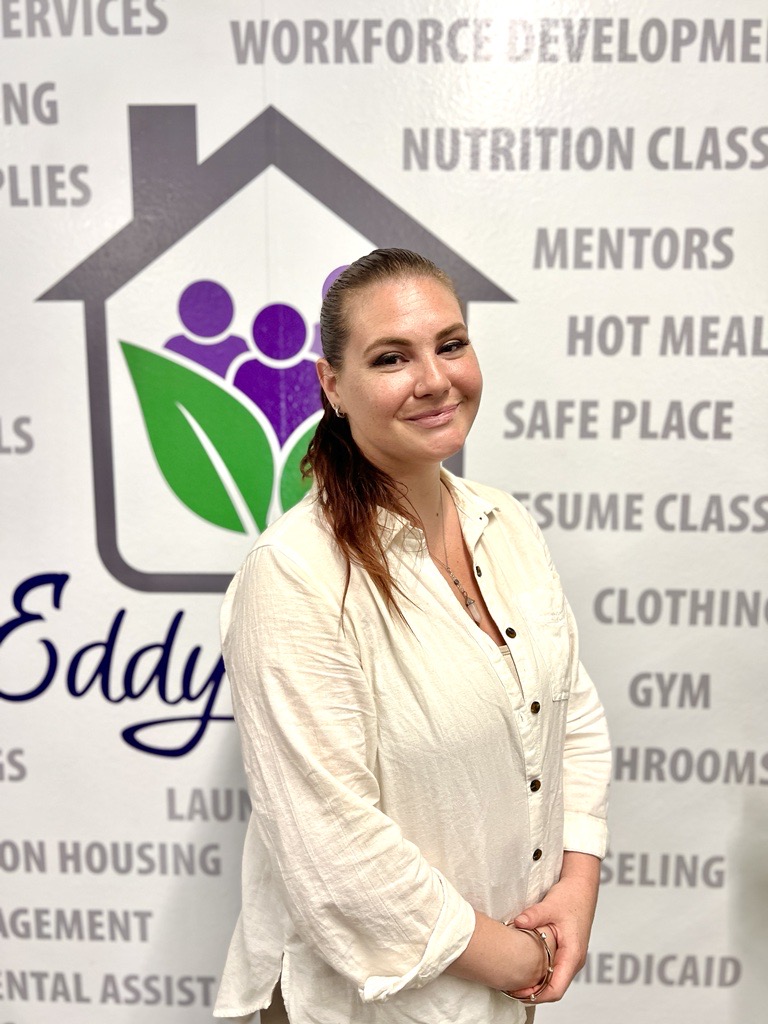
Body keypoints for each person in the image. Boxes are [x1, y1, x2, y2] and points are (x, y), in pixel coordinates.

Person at [214, 248, 611, 1023]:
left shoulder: (506, 525)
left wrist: (575, 887)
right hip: (366, 1006)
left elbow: (572, 718)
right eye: (392, 357)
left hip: (499, 989)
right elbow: (336, 853)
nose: (434, 379)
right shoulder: (294, 575)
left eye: (451, 344)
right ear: (333, 385)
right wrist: (520, 959)